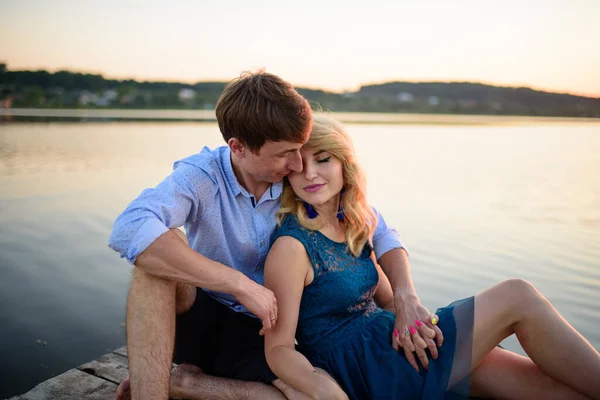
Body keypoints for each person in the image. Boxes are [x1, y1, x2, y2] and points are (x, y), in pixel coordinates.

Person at [108, 71, 410, 400]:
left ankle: (186, 383)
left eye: (300, 149)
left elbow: (374, 225)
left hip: (264, 330)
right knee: (154, 260)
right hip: (203, 312)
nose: (298, 164)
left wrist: (406, 295)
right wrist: (238, 284)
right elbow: (130, 227)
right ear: (238, 148)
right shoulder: (203, 176)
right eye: (285, 153)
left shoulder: (298, 181)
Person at [263, 114, 600, 400]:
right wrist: (327, 392)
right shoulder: (292, 246)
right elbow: (278, 350)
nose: (309, 174)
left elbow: (386, 301)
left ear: (344, 163)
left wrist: (413, 326)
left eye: (323, 159)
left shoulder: (351, 225)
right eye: (299, 165)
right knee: (517, 295)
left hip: (395, 345)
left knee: (549, 387)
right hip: (371, 369)